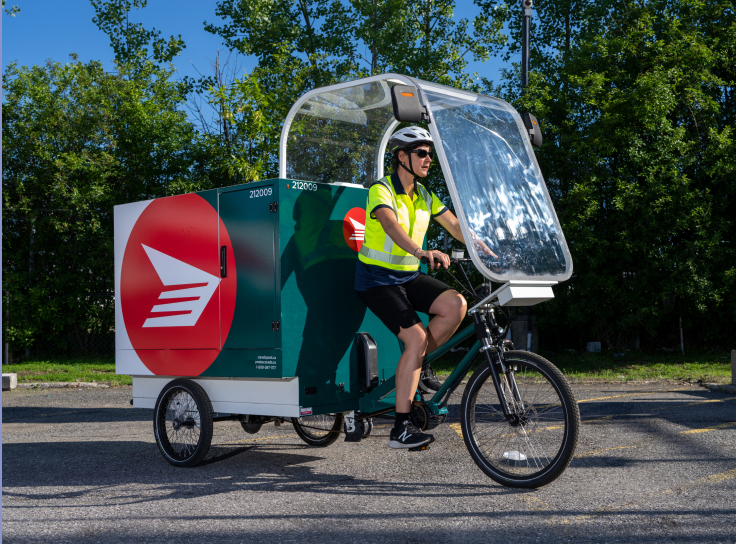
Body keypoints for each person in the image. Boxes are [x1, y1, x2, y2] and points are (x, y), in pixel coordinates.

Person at [354, 126, 469, 449]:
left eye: (430, 154)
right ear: (402, 157)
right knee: (416, 338)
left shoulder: (425, 196)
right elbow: (389, 225)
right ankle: (400, 429)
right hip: (376, 279)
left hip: (406, 276)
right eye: (421, 153)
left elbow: (456, 226)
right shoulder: (382, 190)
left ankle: (419, 362)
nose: (428, 159)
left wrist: (489, 248)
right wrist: (420, 252)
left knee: (455, 305)